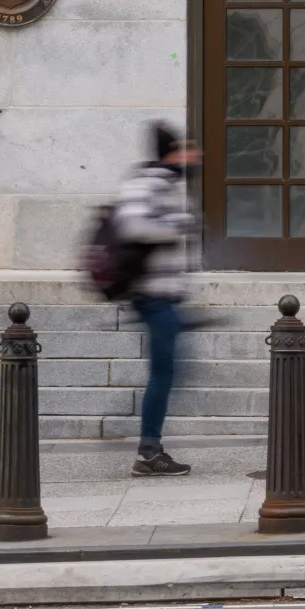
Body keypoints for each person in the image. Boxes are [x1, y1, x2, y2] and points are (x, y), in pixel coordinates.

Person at [112, 122, 201, 476]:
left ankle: (149, 446)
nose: (193, 159)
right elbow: (133, 227)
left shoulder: (163, 183)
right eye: (186, 151)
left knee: (171, 369)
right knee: (164, 371)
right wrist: (179, 225)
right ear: (172, 152)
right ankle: (148, 450)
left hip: (163, 295)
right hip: (150, 295)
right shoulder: (146, 183)